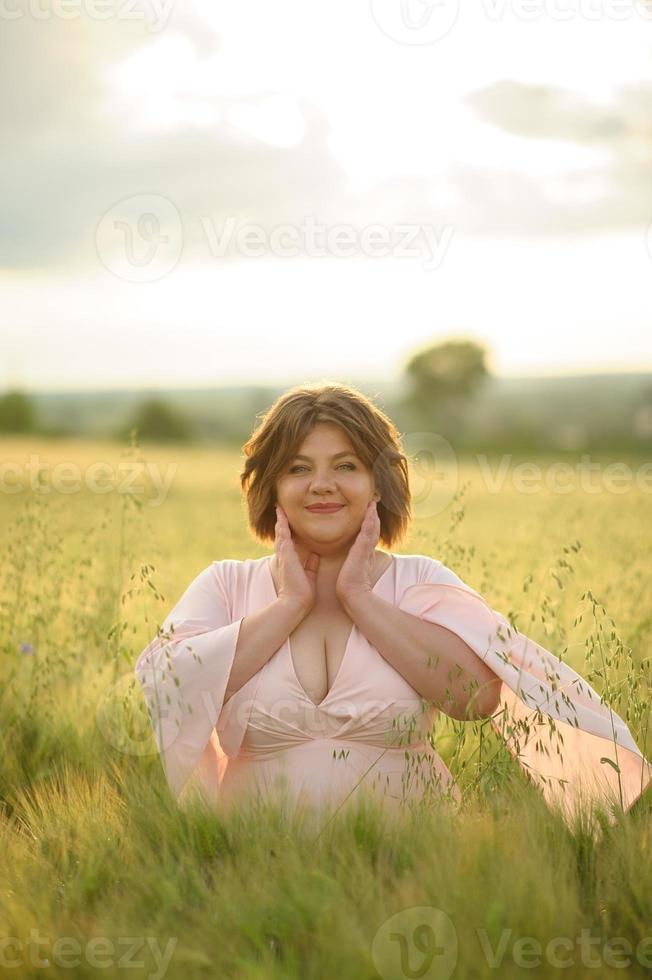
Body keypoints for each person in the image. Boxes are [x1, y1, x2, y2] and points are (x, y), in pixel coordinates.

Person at [134, 383, 652, 827]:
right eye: (298, 468)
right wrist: (290, 604)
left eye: (346, 465)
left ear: (379, 484)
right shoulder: (226, 585)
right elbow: (167, 686)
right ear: (270, 486)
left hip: (415, 868)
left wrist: (360, 599)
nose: (322, 484)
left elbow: (474, 698)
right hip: (252, 866)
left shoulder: (419, 580)